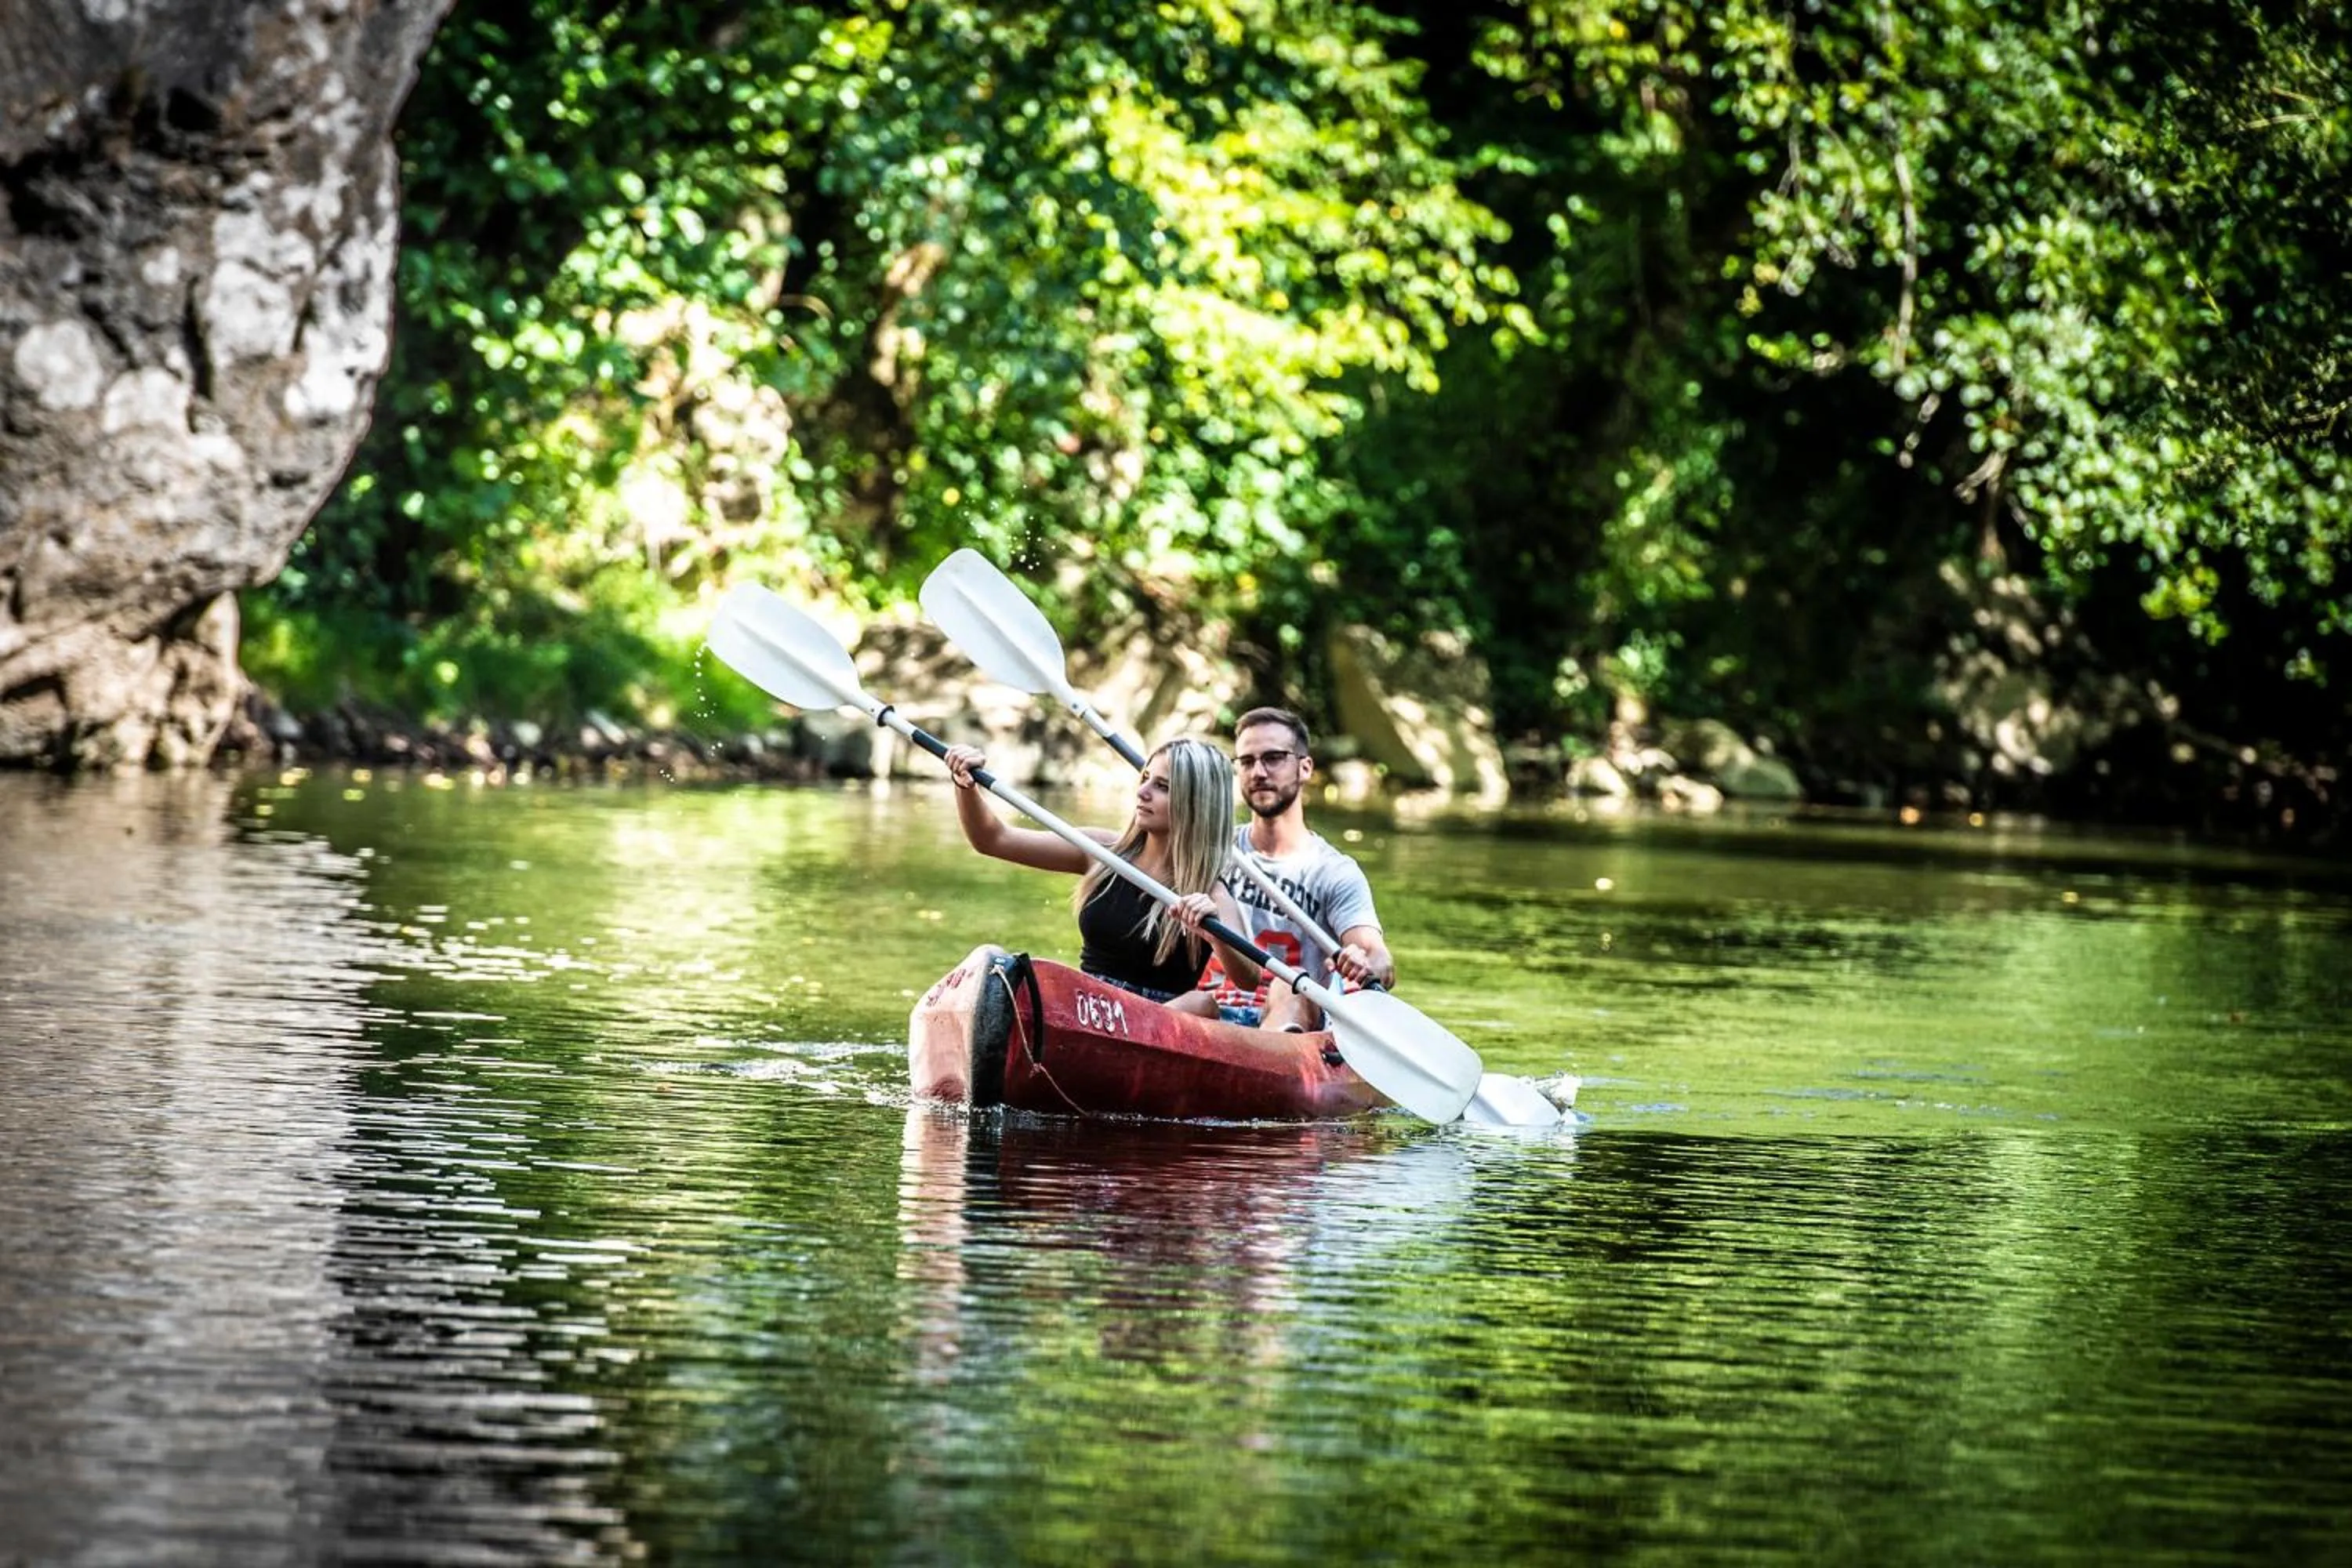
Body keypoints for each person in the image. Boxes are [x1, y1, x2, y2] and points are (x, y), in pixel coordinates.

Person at [941, 736, 1261, 1014]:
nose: (1143, 792)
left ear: (1196, 804)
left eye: (1162, 787)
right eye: (1145, 778)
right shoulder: (1102, 852)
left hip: (1160, 1023)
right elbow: (993, 840)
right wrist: (965, 787)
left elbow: (1249, 977)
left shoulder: (1209, 893)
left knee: (1201, 1004)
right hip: (1088, 1007)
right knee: (997, 964)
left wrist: (1214, 932)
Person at [1204, 707, 1396, 1031]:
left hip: (1290, 1023)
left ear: (1305, 768)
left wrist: (1365, 964)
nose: (1259, 772)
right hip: (1210, 1011)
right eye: (1247, 762)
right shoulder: (1213, 851)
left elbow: (1379, 959)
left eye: (1274, 758)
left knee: (1290, 989)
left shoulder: (1334, 872)